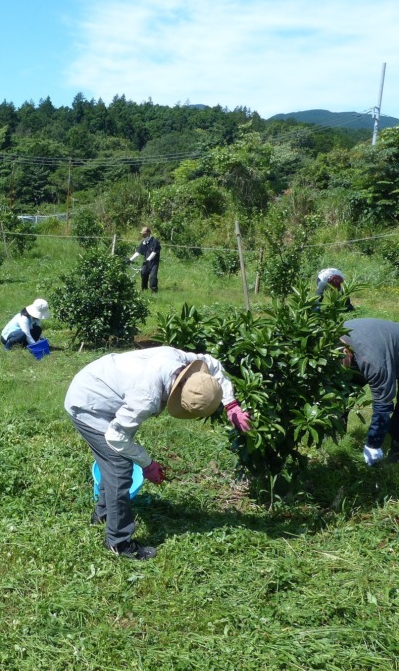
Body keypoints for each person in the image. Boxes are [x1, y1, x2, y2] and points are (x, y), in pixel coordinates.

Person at [64, 346, 252, 560]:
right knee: (119, 467)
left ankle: (103, 514)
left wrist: (231, 405)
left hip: (98, 381)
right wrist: (147, 464)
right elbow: (116, 437)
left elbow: (213, 364)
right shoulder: (146, 397)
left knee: (114, 461)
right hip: (86, 404)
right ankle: (118, 543)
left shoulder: (181, 360)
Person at [342, 318, 399, 465]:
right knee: (343, 389)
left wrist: (373, 445)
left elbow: (383, 403)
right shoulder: (328, 339)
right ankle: (338, 434)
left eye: (341, 364)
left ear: (346, 352)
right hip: (381, 346)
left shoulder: (371, 360)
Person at [128, 226, 161, 293]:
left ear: (148, 233)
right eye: (142, 234)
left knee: (153, 277)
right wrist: (130, 260)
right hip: (146, 262)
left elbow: (154, 252)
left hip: (154, 263)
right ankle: (144, 290)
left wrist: (148, 259)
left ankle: (154, 291)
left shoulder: (155, 241)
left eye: (144, 234)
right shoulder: (143, 242)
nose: (143, 235)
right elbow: (137, 253)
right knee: (143, 274)